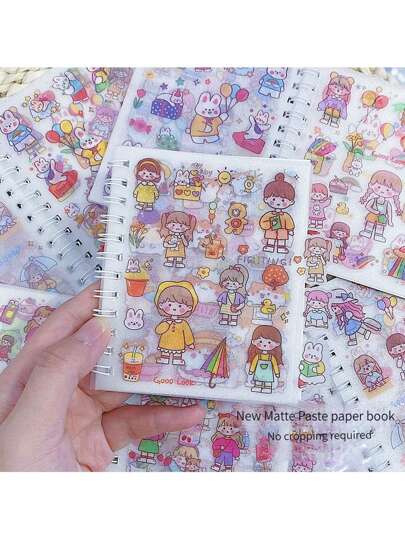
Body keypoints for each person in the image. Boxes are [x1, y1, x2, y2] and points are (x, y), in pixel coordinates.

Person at [0, 283, 204, 471]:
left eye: (180, 306)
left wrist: (189, 343)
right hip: (162, 345)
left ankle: (172, 359)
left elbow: (187, 336)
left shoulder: (183, 325)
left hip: (175, 346)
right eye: (170, 305)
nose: (174, 309)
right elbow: (159, 329)